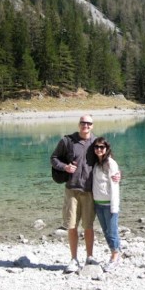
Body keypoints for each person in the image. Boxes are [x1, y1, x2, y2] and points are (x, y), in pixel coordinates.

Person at [50, 115, 120, 273]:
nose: (85, 126)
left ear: (92, 126)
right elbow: (53, 158)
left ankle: (90, 257)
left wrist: (117, 174)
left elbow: (107, 160)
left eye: (89, 123)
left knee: (88, 226)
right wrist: (65, 167)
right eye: (83, 123)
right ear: (79, 124)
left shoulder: (96, 143)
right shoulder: (67, 141)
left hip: (89, 192)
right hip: (72, 190)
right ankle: (74, 259)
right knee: (72, 225)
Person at [92, 137, 121, 272]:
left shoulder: (111, 163)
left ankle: (115, 257)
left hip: (109, 204)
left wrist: (114, 207)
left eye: (102, 147)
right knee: (106, 231)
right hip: (98, 203)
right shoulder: (95, 164)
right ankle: (115, 253)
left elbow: (115, 186)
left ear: (106, 149)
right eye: (96, 147)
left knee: (112, 232)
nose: (99, 149)